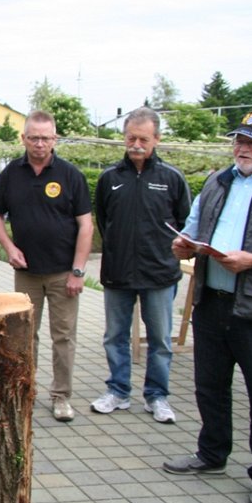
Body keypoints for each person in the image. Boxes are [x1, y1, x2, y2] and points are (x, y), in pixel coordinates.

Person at [163, 109, 252, 503]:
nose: (243, 149)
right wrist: (184, 245)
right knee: (210, 387)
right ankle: (212, 454)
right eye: (239, 141)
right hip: (212, 301)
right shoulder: (218, 181)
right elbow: (193, 228)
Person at [0, 111, 93, 423]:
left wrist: (78, 271)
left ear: (54, 139)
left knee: (63, 337)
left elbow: (86, 226)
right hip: (27, 274)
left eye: (45, 138)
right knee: (23, 336)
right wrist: (9, 248)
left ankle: (61, 397)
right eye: (33, 137)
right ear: (23, 138)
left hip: (63, 274)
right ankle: (25, 392)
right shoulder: (11, 174)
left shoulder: (71, 175)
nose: (39, 143)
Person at [91, 107, 190, 424]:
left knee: (160, 340)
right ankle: (118, 391)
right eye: (131, 138)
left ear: (156, 139)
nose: (136, 144)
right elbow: (104, 221)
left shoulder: (171, 178)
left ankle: (157, 396)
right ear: (124, 137)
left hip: (159, 273)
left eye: (143, 139)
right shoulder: (109, 178)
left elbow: (185, 224)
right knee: (115, 336)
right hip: (117, 272)